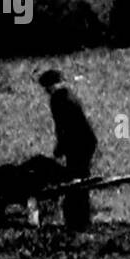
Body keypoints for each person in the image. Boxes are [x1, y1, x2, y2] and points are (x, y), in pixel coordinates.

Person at [37, 68, 98, 231]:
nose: (46, 92)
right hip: (84, 142)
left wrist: (59, 150)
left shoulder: (58, 100)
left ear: (51, 86)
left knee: (75, 183)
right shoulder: (68, 95)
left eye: (47, 88)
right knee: (80, 182)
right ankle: (80, 220)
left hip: (78, 144)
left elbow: (64, 128)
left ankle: (76, 221)